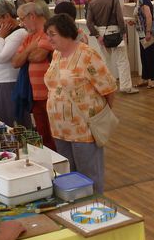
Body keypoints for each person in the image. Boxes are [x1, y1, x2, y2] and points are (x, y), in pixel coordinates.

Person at [44, 14, 118, 193]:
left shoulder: (87, 54)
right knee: (68, 177)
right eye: (48, 34)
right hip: (60, 129)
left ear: (65, 32)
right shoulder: (56, 55)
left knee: (89, 176)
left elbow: (108, 88)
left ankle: (96, 210)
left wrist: (97, 113)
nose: (48, 38)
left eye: (52, 34)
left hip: (83, 129)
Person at [12, 2, 55, 148]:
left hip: (52, 94)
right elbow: (16, 62)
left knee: (55, 135)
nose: (21, 23)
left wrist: (26, 55)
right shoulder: (30, 38)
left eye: (22, 19)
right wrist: (30, 48)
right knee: (44, 135)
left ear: (32, 16)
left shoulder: (49, 31)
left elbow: (38, 56)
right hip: (35, 96)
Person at [87, 0, 137, 94]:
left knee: (105, 61)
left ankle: (107, 86)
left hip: (101, 34)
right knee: (122, 61)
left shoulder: (92, 3)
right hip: (115, 32)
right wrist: (123, 32)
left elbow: (89, 23)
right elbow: (120, 18)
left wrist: (97, 35)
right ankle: (126, 86)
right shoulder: (114, 1)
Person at [0, 0, 30, 127]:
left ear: (6, 16)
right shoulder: (6, 32)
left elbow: (1, 57)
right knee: (1, 118)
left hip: (7, 80)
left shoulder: (19, 33)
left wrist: (0, 36)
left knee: (10, 120)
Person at [127, 0, 154, 89]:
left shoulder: (143, 0)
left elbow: (149, 16)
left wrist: (148, 32)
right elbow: (142, 17)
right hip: (142, 32)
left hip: (146, 33)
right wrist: (135, 22)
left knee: (150, 56)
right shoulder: (139, 0)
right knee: (144, 56)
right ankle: (145, 78)